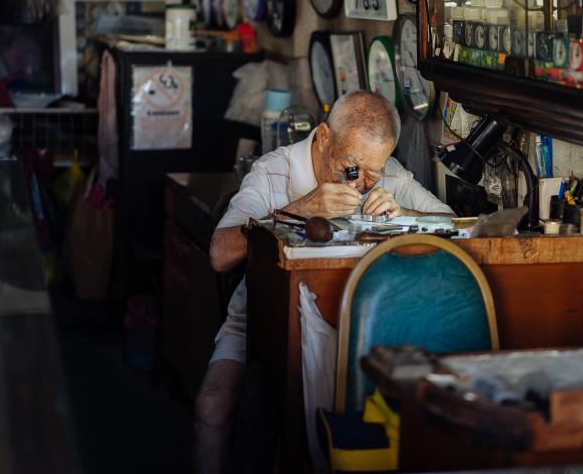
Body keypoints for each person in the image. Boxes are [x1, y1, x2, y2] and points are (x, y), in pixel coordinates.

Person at [193, 91, 453, 473]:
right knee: (212, 407)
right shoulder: (274, 170)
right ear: (325, 136)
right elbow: (220, 253)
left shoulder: (389, 174)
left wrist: (404, 213)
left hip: (354, 324)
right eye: (352, 169)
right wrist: (298, 210)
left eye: (374, 173)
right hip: (260, 320)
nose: (362, 184)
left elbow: (453, 224)